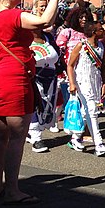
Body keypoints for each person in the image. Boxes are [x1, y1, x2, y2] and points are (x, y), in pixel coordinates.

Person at [0, 0, 64, 204]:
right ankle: (12, 191)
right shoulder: (13, 15)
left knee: (0, 136)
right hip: (14, 78)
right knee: (17, 137)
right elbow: (45, 22)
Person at [66, 21, 105, 156]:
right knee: (92, 111)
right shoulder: (81, 45)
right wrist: (72, 83)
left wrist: (104, 84)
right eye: (101, 29)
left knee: (86, 111)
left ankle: (75, 138)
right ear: (94, 32)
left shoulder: (102, 46)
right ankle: (99, 143)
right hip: (82, 81)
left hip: (95, 81)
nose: (103, 31)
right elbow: (70, 65)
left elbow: (104, 67)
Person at [27, 12, 62, 154]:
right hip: (33, 78)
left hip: (51, 78)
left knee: (47, 106)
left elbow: (57, 54)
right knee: (35, 105)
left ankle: (33, 133)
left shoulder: (48, 37)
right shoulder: (25, 39)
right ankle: (36, 137)